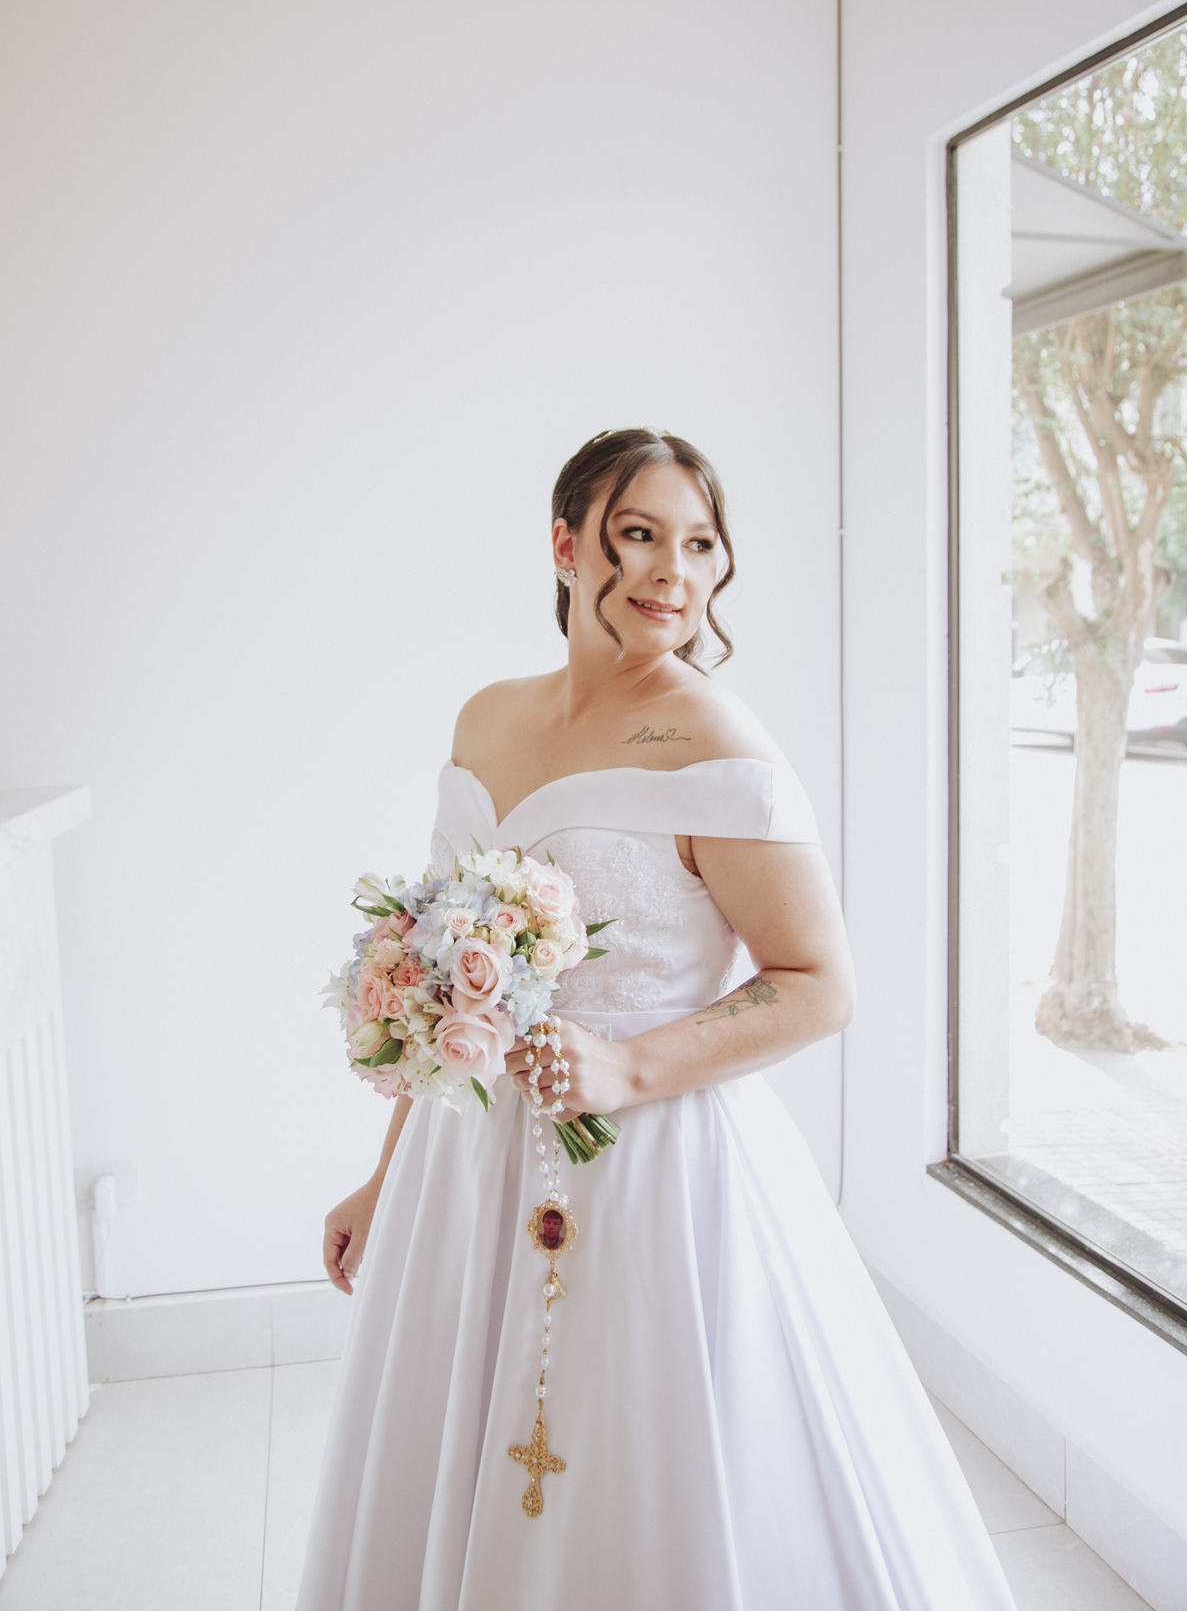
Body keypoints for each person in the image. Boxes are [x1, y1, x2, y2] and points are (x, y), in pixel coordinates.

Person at [296, 428, 1016, 1611]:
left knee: (628, 1464)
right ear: (566, 543)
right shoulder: (486, 719)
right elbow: (453, 986)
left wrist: (627, 1070)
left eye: (700, 544)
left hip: (653, 1175)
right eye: (638, 535)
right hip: (466, 1169)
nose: (672, 572)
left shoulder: (715, 741)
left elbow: (818, 982)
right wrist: (385, 1179)